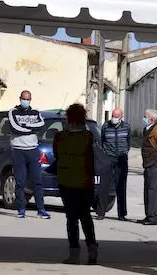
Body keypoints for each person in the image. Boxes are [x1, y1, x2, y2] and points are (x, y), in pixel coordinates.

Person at [53, 104, 98, 264]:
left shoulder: (59, 137)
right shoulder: (88, 136)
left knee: (71, 218)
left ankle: (74, 253)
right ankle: (92, 251)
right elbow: (92, 159)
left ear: (68, 118)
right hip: (85, 182)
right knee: (85, 216)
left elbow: (57, 156)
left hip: (66, 182)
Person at [9, 89, 50, 219]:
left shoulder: (36, 112)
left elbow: (42, 125)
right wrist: (31, 127)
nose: (25, 101)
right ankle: (21, 209)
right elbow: (15, 128)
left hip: (32, 150)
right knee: (20, 182)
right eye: (23, 99)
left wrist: (25, 126)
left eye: (28, 99)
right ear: (19, 98)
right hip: (18, 150)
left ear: (30, 100)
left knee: (37, 181)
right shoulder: (12, 112)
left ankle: (41, 209)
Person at [98, 107, 130, 221]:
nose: (114, 118)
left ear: (121, 116)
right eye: (113, 115)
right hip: (108, 159)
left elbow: (128, 142)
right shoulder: (105, 126)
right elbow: (102, 141)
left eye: (116, 116)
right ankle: (101, 212)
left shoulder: (126, 127)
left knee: (121, 186)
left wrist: (123, 153)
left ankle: (122, 214)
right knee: (104, 186)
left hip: (121, 159)